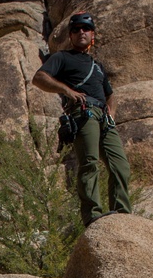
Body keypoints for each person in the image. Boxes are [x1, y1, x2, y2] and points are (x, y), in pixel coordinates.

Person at [32, 12, 132, 227]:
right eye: (76, 30)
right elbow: (39, 78)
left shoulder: (97, 66)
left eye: (85, 29)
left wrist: (111, 114)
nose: (81, 32)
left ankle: (122, 211)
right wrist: (67, 91)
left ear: (92, 34)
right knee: (89, 163)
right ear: (71, 35)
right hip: (83, 113)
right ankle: (92, 215)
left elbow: (110, 93)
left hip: (103, 117)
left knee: (120, 165)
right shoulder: (62, 58)